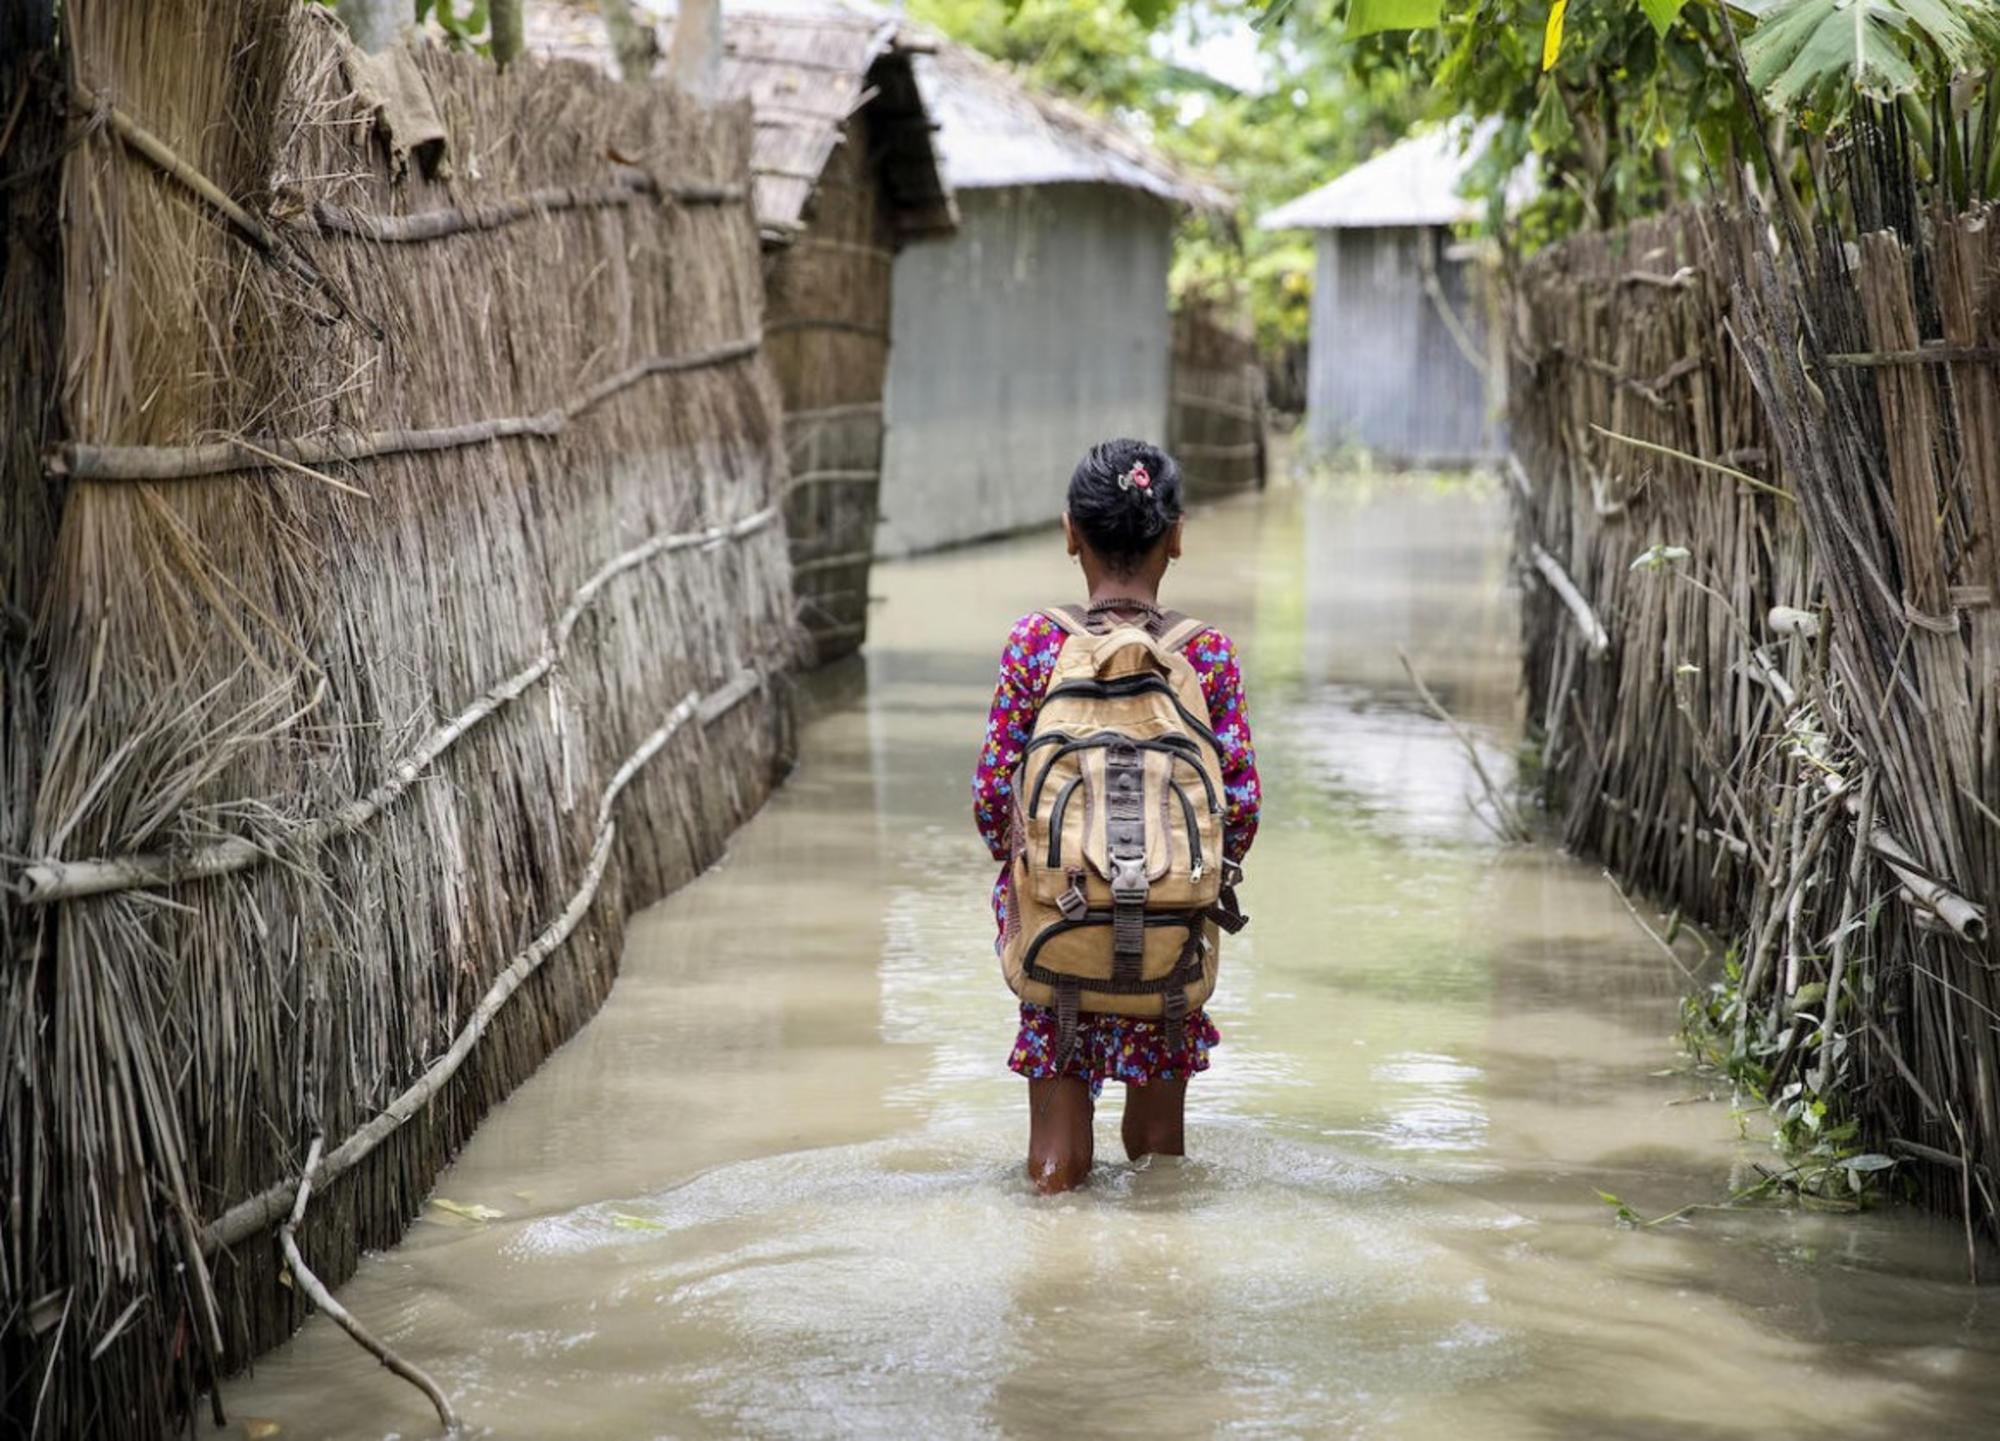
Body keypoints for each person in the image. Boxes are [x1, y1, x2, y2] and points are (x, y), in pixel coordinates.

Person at [972, 438, 1260, 1194]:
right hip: (1170, 936)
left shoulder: (1038, 646)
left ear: (1071, 532)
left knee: (1056, 1165)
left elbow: (991, 798)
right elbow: (1243, 810)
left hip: (1057, 926)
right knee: (1160, 1161)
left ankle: (1054, 1277)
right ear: (1176, 536)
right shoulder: (1208, 657)